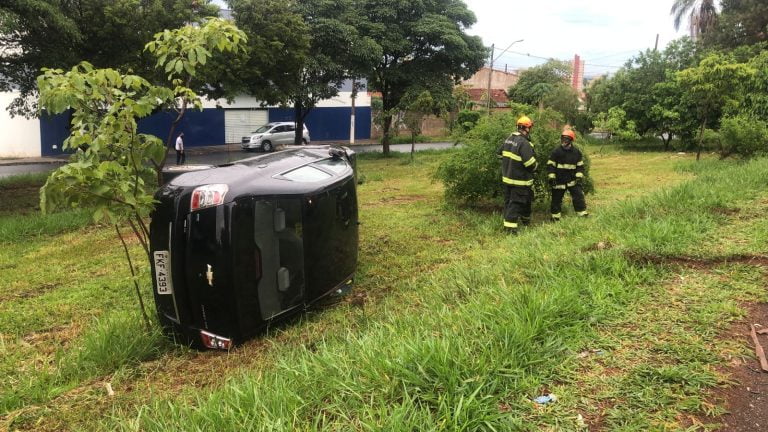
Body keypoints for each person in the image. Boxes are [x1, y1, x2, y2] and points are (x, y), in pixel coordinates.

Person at [497, 115, 537, 234]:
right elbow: (530, 164)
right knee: (516, 203)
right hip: (519, 180)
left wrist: (509, 163)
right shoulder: (524, 143)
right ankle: (510, 229)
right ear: (528, 128)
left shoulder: (509, 139)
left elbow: (499, 154)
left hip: (508, 178)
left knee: (509, 202)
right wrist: (536, 167)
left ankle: (512, 222)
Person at [547, 128, 588, 221]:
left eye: (567, 139)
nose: (564, 141)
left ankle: (582, 214)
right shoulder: (556, 151)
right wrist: (551, 177)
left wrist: (579, 176)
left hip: (572, 180)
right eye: (563, 138)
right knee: (556, 200)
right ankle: (555, 217)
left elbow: (580, 166)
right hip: (559, 180)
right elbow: (550, 165)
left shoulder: (576, 152)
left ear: (571, 140)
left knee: (578, 196)